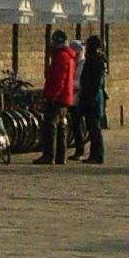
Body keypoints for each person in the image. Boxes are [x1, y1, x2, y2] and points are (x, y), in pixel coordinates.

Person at [38, 29, 78, 164]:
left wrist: (52, 96)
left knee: (50, 125)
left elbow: (58, 79)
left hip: (57, 97)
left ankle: (49, 155)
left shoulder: (61, 57)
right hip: (66, 96)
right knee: (61, 126)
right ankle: (61, 156)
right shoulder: (69, 56)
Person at [74, 33, 107, 163]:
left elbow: (95, 82)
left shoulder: (95, 60)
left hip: (92, 98)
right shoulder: (97, 59)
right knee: (93, 127)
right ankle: (95, 154)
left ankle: (97, 155)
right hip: (92, 96)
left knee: (94, 128)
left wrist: (89, 98)